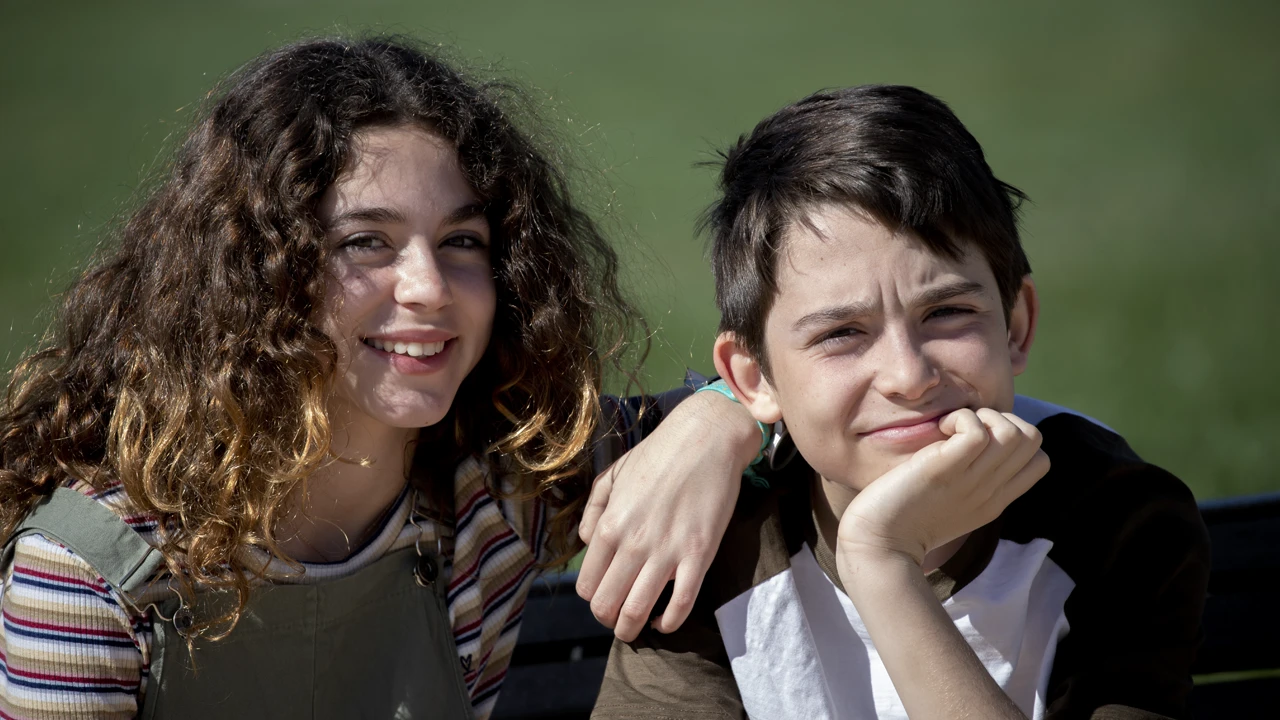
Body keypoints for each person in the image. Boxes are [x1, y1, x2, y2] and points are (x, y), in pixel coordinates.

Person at [0, 37, 762, 720]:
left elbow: (826, 405)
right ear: (257, 277)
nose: (429, 286)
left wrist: (721, 419)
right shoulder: (90, 578)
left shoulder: (505, 485)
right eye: (367, 242)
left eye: (462, 239)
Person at [593, 85, 1211, 719]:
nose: (908, 376)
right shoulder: (706, 532)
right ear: (755, 379)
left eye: (947, 312)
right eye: (841, 334)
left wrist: (884, 564)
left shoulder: (1116, 520)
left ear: (1016, 326)